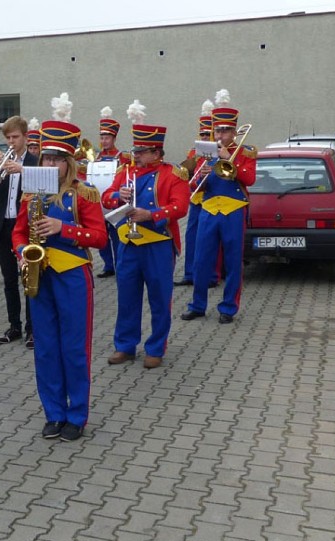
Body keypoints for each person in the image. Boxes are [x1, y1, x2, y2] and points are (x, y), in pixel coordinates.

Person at [12, 95, 107, 442]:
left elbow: (98, 238)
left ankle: (76, 414)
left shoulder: (85, 194)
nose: (49, 164)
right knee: (46, 347)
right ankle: (53, 412)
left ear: (68, 162)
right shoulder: (31, 194)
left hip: (72, 277)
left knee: (73, 347)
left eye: (56, 159)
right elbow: (18, 232)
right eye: (45, 157)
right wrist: (22, 251)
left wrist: (62, 229)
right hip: (40, 275)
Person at [102, 100, 190, 369]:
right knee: (127, 298)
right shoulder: (124, 171)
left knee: (160, 298)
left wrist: (152, 215)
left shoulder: (173, 174)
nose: (136, 155)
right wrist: (119, 195)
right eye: (135, 150)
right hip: (128, 242)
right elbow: (105, 197)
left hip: (159, 244)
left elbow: (181, 206)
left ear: (156, 152)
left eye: (141, 151)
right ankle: (126, 346)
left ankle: (155, 347)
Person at [181, 89, 256, 324]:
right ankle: (197, 304)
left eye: (225, 130)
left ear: (234, 131)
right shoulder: (205, 153)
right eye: (218, 130)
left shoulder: (245, 152)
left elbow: (250, 179)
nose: (221, 134)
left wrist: (226, 158)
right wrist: (200, 173)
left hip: (234, 210)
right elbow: (193, 187)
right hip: (209, 209)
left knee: (233, 261)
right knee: (202, 259)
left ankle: (228, 307)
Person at [0, 115, 38, 347]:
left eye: (15, 137)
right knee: (9, 280)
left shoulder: (34, 161)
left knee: (29, 279)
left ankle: (33, 328)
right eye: (8, 137)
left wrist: (22, 170)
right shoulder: (0, 161)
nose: (11, 142)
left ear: (25, 137)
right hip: (3, 227)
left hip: (25, 228)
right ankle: (14, 326)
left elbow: (43, 187)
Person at [175, 101, 220, 288]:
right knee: (192, 236)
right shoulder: (194, 151)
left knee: (210, 239)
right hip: (196, 197)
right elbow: (187, 172)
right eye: (201, 133)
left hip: (213, 198)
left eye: (206, 134)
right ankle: (189, 273)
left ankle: (211, 275)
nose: (203, 137)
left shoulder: (219, 151)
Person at [93, 107, 132, 279]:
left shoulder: (122, 156)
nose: (104, 141)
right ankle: (108, 265)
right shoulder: (96, 156)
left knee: (117, 234)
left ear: (114, 138)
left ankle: (119, 264)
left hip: (116, 200)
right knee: (102, 235)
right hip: (101, 201)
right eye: (102, 137)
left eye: (107, 137)